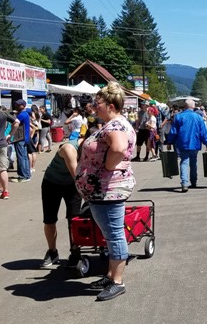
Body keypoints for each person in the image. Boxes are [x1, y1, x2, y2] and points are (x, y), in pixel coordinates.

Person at [74, 82, 136, 302]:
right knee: (111, 234)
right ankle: (111, 275)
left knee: (114, 234)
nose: (93, 106)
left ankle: (117, 281)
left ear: (110, 105)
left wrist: (108, 166)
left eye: (97, 103)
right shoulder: (112, 124)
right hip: (103, 190)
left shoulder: (116, 126)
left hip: (108, 190)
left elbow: (118, 148)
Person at [40, 133, 83, 268]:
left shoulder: (94, 148)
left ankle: (75, 252)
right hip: (52, 183)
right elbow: (76, 175)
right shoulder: (69, 148)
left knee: (74, 219)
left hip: (72, 185)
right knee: (49, 219)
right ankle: (52, 252)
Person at [167, 98, 207, 192]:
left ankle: (184, 183)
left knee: (184, 162)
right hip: (195, 144)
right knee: (193, 162)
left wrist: (169, 142)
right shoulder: (198, 117)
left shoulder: (179, 117)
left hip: (182, 143)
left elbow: (173, 131)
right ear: (193, 106)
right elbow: (203, 132)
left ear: (185, 106)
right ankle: (193, 182)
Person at [12, 99, 32, 182]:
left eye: (18, 105)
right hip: (25, 138)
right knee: (24, 157)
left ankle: (23, 176)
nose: (16, 106)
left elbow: (16, 124)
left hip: (21, 138)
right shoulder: (25, 114)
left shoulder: (22, 115)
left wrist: (11, 134)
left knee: (21, 157)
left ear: (23, 106)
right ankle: (26, 175)